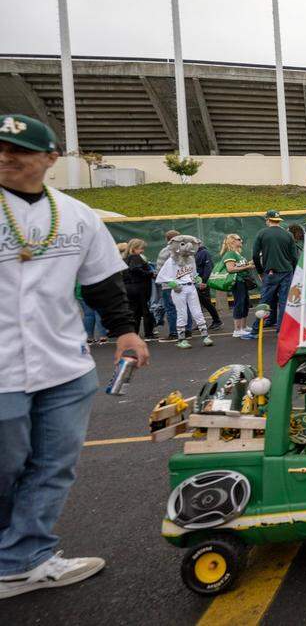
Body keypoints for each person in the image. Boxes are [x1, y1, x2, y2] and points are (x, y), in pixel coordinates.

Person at [0, 114, 149, 598]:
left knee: (53, 464)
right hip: (2, 370)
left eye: (17, 150)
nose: (5, 157)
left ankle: (25, 560)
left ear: (49, 158)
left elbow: (104, 281)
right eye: (0, 148)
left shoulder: (77, 215)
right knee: (5, 466)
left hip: (63, 362)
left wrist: (125, 332)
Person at [157, 236, 214, 349]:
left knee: (197, 312)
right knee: (182, 313)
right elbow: (161, 276)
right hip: (179, 289)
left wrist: (197, 279)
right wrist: (172, 283)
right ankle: (181, 339)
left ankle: (205, 335)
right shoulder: (171, 260)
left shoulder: (191, 259)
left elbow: (193, 274)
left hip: (191, 287)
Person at [250, 210, 297, 330]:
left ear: (268, 220)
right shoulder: (288, 235)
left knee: (264, 301)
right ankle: (281, 330)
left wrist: (260, 271)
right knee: (284, 302)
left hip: (270, 273)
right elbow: (294, 257)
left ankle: (256, 329)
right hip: (287, 272)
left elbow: (255, 255)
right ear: (278, 220)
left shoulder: (262, 233)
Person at [219, 234, 256, 339]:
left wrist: (249, 263)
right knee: (239, 303)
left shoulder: (238, 254)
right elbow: (230, 269)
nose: (241, 241)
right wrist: (248, 266)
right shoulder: (230, 254)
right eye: (239, 239)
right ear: (232, 241)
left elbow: (239, 266)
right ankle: (237, 329)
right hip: (237, 282)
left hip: (243, 281)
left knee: (245, 303)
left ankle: (243, 327)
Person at [123, 239, 156, 339]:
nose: (143, 251)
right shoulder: (135, 257)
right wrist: (150, 273)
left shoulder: (125, 258)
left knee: (134, 312)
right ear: (134, 248)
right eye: (141, 249)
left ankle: (134, 333)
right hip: (139, 287)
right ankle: (148, 333)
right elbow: (135, 269)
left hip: (129, 288)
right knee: (145, 311)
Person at [156, 229, 181, 341]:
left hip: (169, 285)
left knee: (171, 309)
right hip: (183, 283)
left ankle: (174, 333)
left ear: (167, 239)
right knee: (183, 308)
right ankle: (187, 331)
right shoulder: (185, 250)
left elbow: (159, 269)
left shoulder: (165, 251)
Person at [194, 240, 224, 331]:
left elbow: (208, 268)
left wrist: (204, 282)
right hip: (195, 283)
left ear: (198, 244)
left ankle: (217, 321)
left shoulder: (204, 252)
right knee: (198, 304)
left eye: (193, 244)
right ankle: (201, 323)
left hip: (202, 283)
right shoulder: (193, 254)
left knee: (206, 302)